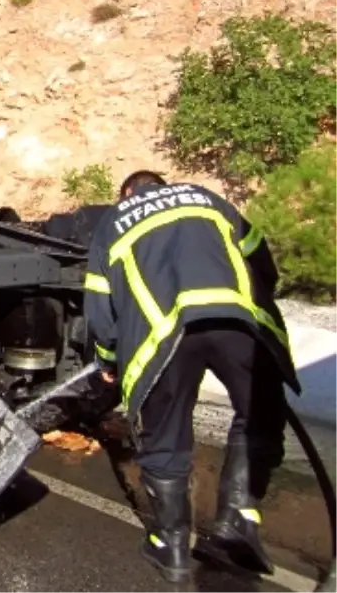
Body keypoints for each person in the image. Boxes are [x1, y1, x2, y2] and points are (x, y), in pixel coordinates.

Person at [84, 169, 300, 584]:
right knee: (260, 413)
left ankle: (173, 547)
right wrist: (255, 298)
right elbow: (260, 257)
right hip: (235, 321)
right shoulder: (207, 198)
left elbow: (100, 304)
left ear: (128, 192)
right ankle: (238, 517)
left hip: (164, 335)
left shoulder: (116, 217)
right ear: (165, 187)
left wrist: (109, 362)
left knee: (166, 434)